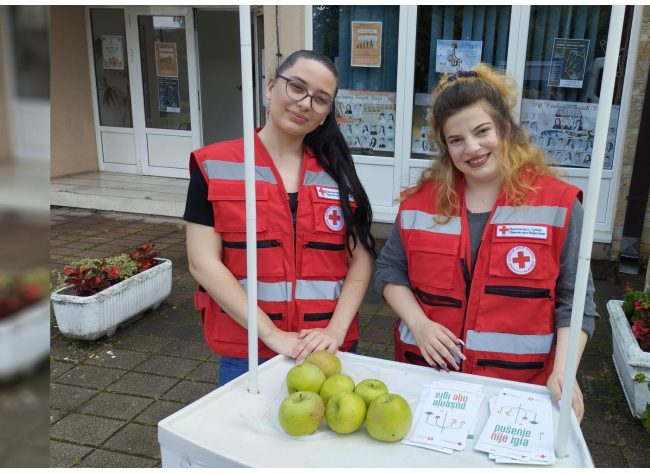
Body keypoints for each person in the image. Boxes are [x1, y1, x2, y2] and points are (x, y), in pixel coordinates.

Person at [373, 65, 600, 424]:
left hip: (518, 392)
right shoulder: (418, 204)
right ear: (445, 147)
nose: (472, 148)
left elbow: (576, 300)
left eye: (482, 132)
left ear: (505, 129)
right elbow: (389, 271)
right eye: (456, 139)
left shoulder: (559, 205)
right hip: (427, 384)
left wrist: (565, 370)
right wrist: (419, 324)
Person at [184, 50, 377, 387]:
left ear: (326, 113)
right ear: (271, 87)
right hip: (248, 350)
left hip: (327, 347)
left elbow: (360, 257)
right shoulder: (214, 165)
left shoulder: (339, 171)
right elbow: (202, 262)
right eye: (297, 87)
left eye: (320, 99)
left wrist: (335, 330)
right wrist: (272, 334)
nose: (305, 103)